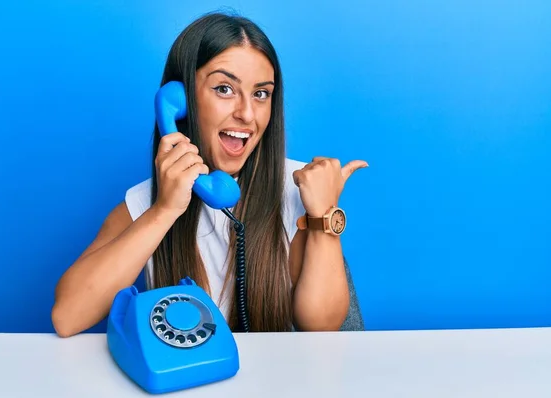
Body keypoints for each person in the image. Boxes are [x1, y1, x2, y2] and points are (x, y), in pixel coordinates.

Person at [51, 11, 368, 337]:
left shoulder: (298, 187)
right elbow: (67, 316)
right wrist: (165, 210)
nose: (246, 113)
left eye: (261, 94)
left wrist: (324, 217)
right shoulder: (145, 205)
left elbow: (322, 327)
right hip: (190, 385)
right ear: (181, 100)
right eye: (224, 89)